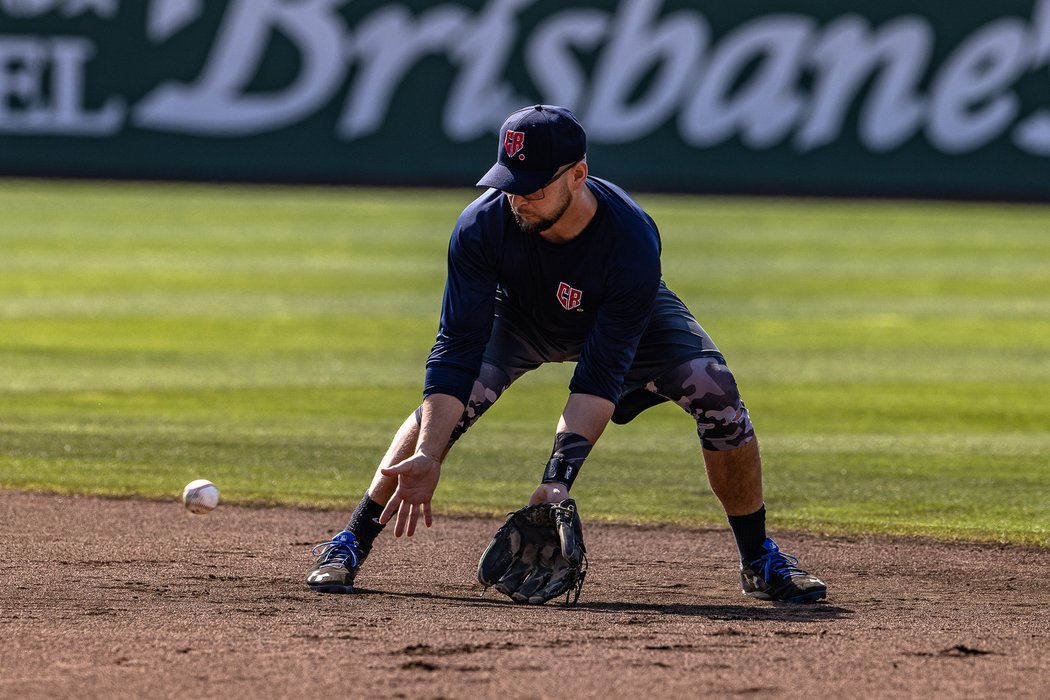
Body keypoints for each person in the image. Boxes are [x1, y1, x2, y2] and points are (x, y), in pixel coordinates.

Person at [307, 104, 827, 603]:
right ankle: (351, 540)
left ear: (577, 175)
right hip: (520, 318)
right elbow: (457, 349)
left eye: (532, 186)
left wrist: (556, 483)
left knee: (717, 391)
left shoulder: (630, 239)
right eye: (509, 182)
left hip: (627, 323)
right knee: (439, 416)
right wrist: (430, 449)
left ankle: (758, 559)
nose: (517, 198)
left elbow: (599, 377)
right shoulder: (481, 226)